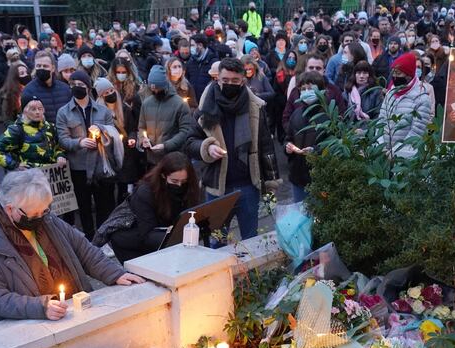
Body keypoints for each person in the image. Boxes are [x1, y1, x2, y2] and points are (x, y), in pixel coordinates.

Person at [0, 169, 144, 326]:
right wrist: (40, 307)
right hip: (23, 329)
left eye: (44, 211)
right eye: (34, 214)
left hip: (67, 312)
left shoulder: (47, 219)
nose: (40, 218)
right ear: (10, 209)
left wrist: (115, 274)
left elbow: (83, 249)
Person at [186, 58, 279, 240]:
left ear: (243, 80)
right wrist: (207, 147)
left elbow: (266, 145)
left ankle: (250, 270)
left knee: (251, 240)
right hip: (217, 187)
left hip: (248, 185)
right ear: (217, 80)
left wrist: (271, 181)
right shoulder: (205, 108)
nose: (229, 84)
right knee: (217, 241)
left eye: (234, 81)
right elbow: (189, 142)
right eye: (225, 80)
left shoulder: (255, 107)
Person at [95, 152, 201, 262]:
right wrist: (180, 237)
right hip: (132, 241)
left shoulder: (189, 187)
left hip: (162, 235)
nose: (179, 185)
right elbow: (147, 233)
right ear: (163, 175)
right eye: (174, 181)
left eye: (183, 181)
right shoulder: (145, 192)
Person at [56, 70, 117, 238]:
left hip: (100, 164)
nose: (77, 88)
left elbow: (112, 136)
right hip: (78, 167)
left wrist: (102, 132)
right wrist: (79, 142)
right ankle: (90, 238)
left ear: (88, 88)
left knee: (103, 204)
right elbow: (62, 139)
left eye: (81, 85)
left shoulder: (102, 111)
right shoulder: (64, 112)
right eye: (74, 85)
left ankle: (103, 238)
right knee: (83, 206)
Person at [137, 65, 194, 171]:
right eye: (152, 89)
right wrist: (142, 140)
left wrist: (166, 145)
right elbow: (141, 127)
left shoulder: (179, 104)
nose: (155, 92)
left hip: (173, 160)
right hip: (152, 161)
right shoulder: (146, 103)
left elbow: (185, 131)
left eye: (158, 89)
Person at [378, 52, 434, 157]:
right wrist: (381, 146)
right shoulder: (390, 93)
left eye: (398, 74)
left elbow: (416, 133)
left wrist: (396, 152)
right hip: (384, 152)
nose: (395, 76)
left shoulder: (421, 98)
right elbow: (381, 121)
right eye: (393, 73)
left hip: (405, 156)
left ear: (408, 75)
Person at [285, 71, 328, 202]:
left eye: (310, 88)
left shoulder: (328, 115)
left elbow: (332, 144)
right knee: (300, 215)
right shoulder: (296, 114)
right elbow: (288, 137)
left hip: (320, 178)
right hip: (298, 176)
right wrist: (287, 147)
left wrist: (315, 151)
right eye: (303, 89)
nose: (306, 92)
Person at [0, 96, 67, 170]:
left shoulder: (50, 127)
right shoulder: (17, 129)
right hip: (30, 176)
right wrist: (15, 165)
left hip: (53, 174)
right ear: (25, 111)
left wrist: (60, 156)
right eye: (33, 109)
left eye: (40, 109)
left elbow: (59, 147)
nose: (37, 112)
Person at [20, 50, 72, 123]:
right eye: (38, 66)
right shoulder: (29, 91)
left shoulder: (65, 89)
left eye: (45, 66)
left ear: (53, 68)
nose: (42, 68)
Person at [187, 34, 218, 100]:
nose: (190, 48)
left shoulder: (213, 62)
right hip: (193, 101)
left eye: (192, 45)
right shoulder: (190, 62)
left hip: (208, 101)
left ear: (200, 45)